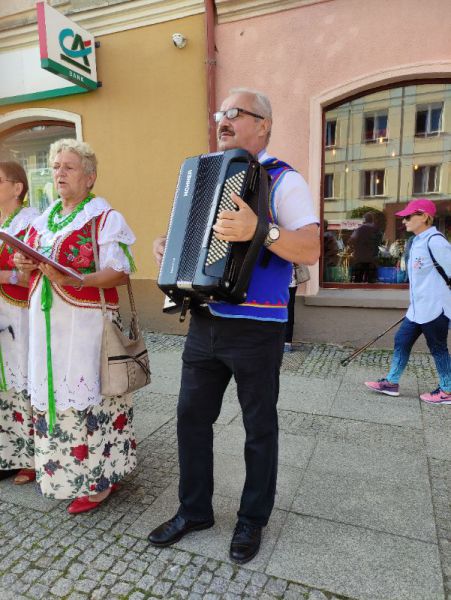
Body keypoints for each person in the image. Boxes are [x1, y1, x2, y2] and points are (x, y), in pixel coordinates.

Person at [149, 88, 320, 563]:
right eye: (219, 113)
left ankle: (252, 520)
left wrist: (261, 230)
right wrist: (169, 247)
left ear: (263, 124)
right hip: (205, 320)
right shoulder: (205, 173)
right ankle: (194, 510)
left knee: (258, 427)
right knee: (190, 420)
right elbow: (192, 234)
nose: (222, 120)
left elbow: (310, 248)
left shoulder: (284, 180)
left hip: (258, 326)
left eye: (235, 113)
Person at [14, 139, 137, 512]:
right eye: (55, 167)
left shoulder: (104, 217)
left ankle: (100, 480)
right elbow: (30, 268)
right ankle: (62, 474)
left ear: (90, 176)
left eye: (69, 166)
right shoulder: (44, 218)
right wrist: (25, 264)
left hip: (86, 327)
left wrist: (76, 280)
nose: (59, 173)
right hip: (47, 325)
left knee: (92, 396)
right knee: (52, 394)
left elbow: (119, 273)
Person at [365, 198, 451, 404]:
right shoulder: (416, 241)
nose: (404, 221)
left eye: (408, 216)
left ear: (424, 217)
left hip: (435, 307)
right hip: (416, 309)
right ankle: (391, 382)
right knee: (401, 340)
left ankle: (447, 391)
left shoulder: (436, 241)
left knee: (438, 348)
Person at [0, 162, 39, 483]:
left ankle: (32, 456)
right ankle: (7, 454)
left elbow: (35, 276)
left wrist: (5, 275)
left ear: (18, 187)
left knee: (22, 381)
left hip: (19, 313)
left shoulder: (31, 223)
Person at [349, 211, 382, 283]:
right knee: (371, 282)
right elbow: (380, 242)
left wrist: (355, 247)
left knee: (357, 281)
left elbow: (351, 240)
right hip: (372, 259)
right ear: (372, 219)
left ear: (364, 220)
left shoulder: (359, 229)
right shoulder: (377, 229)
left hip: (359, 259)